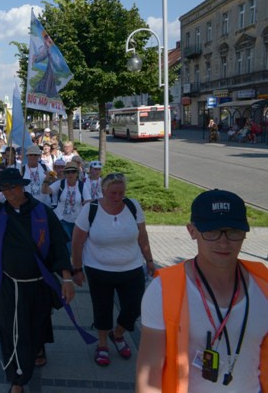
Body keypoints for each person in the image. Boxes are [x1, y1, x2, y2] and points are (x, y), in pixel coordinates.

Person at [0, 165, 74, 393]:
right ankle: (18, 379)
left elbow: (59, 247)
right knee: (13, 331)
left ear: (22, 186)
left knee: (38, 324)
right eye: (5, 188)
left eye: (13, 186)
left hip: (40, 283)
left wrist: (68, 280)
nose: (10, 192)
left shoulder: (42, 212)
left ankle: (38, 348)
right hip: (10, 285)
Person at [136, 189, 268, 393]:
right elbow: (149, 376)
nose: (223, 242)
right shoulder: (163, 290)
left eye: (233, 231)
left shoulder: (263, 286)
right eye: (212, 231)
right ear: (192, 231)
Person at [71, 172, 154, 367]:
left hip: (131, 267)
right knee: (103, 308)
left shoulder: (132, 206)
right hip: (98, 268)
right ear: (104, 191)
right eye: (113, 193)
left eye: (121, 193)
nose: (118, 198)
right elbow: (77, 241)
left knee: (134, 307)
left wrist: (149, 259)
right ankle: (102, 344)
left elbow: (142, 235)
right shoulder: (90, 209)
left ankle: (117, 335)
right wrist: (76, 269)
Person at [48, 161, 91, 248]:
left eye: (73, 171)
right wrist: (46, 180)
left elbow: (88, 200)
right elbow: (45, 191)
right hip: (62, 219)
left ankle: (72, 260)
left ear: (77, 173)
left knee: (76, 243)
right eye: (68, 172)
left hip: (77, 220)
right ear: (65, 174)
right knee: (67, 244)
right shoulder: (61, 183)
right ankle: (68, 260)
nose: (70, 174)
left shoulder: (81, 185)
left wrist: (86, 202)